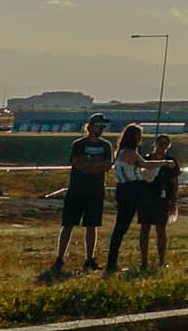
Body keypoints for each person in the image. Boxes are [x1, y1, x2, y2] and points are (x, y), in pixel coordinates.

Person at [51, 114, 113, 272]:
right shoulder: (78, 144)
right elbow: (78, 164)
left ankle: (89, 258)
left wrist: (90, 164)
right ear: (90, 126)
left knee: (92, 226)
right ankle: (60, 258)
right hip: (77, 190)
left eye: (103, 126)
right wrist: (94, 166)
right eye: (99, 126)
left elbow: (107, 165)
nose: (101, 129)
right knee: (68, 225)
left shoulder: (106, 146)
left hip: (96, 191)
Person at [106, 123, 153, 271]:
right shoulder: (130, 153)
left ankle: (112, 261)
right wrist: (165, 163)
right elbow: (145, 164)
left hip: (123, 189)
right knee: (122, 226)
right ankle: (111, 262)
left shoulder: (121, 151)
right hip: (130, 189)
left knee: (121, 226)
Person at [141, 134, 179, 268]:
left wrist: (173, 200)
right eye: (160, 143)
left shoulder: (171, 162)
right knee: (144, 229)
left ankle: (162, 261)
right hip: (147, 198)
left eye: (165, 144)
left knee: (161, 230)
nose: (161, 146)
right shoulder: (146, 160)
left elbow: (175, 182)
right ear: (155, 144)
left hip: (163, 199)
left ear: (168, 146)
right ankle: (143, 260)